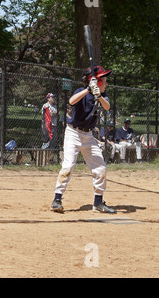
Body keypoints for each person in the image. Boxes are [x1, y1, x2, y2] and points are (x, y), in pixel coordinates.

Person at [50, 65, 116, 214]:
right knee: (68, 166)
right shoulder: (81, 91)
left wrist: (98, 95)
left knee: (100, 168)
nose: (106, 83)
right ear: (95, 81)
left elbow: (107, 107)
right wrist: (88, 89)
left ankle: (98, 203)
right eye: (103, 80)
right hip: (73, 133)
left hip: (88, 136)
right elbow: (72, 101)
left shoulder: (102, 95)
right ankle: (57, 200)